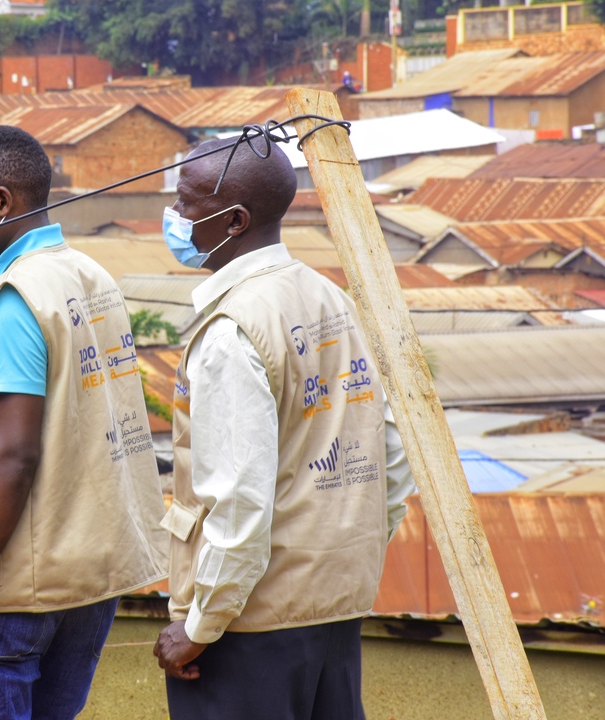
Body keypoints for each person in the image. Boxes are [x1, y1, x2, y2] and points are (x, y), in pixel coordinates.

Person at [0, 125, 168, 720]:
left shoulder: (17, 294)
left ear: (0, 202)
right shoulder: (89, 275)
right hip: (90, 574)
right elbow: (69, 411)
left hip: (19, 587)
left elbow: (16, 456)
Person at [152, 138, 415, 719]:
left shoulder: (232, 329)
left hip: (248, 628)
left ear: (235, 220)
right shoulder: (332, 299)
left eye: (186, 203)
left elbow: (237, 500)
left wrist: (200, 624)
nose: (174, 216)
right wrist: (341, 550)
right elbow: (393, 455)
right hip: (336, 608)